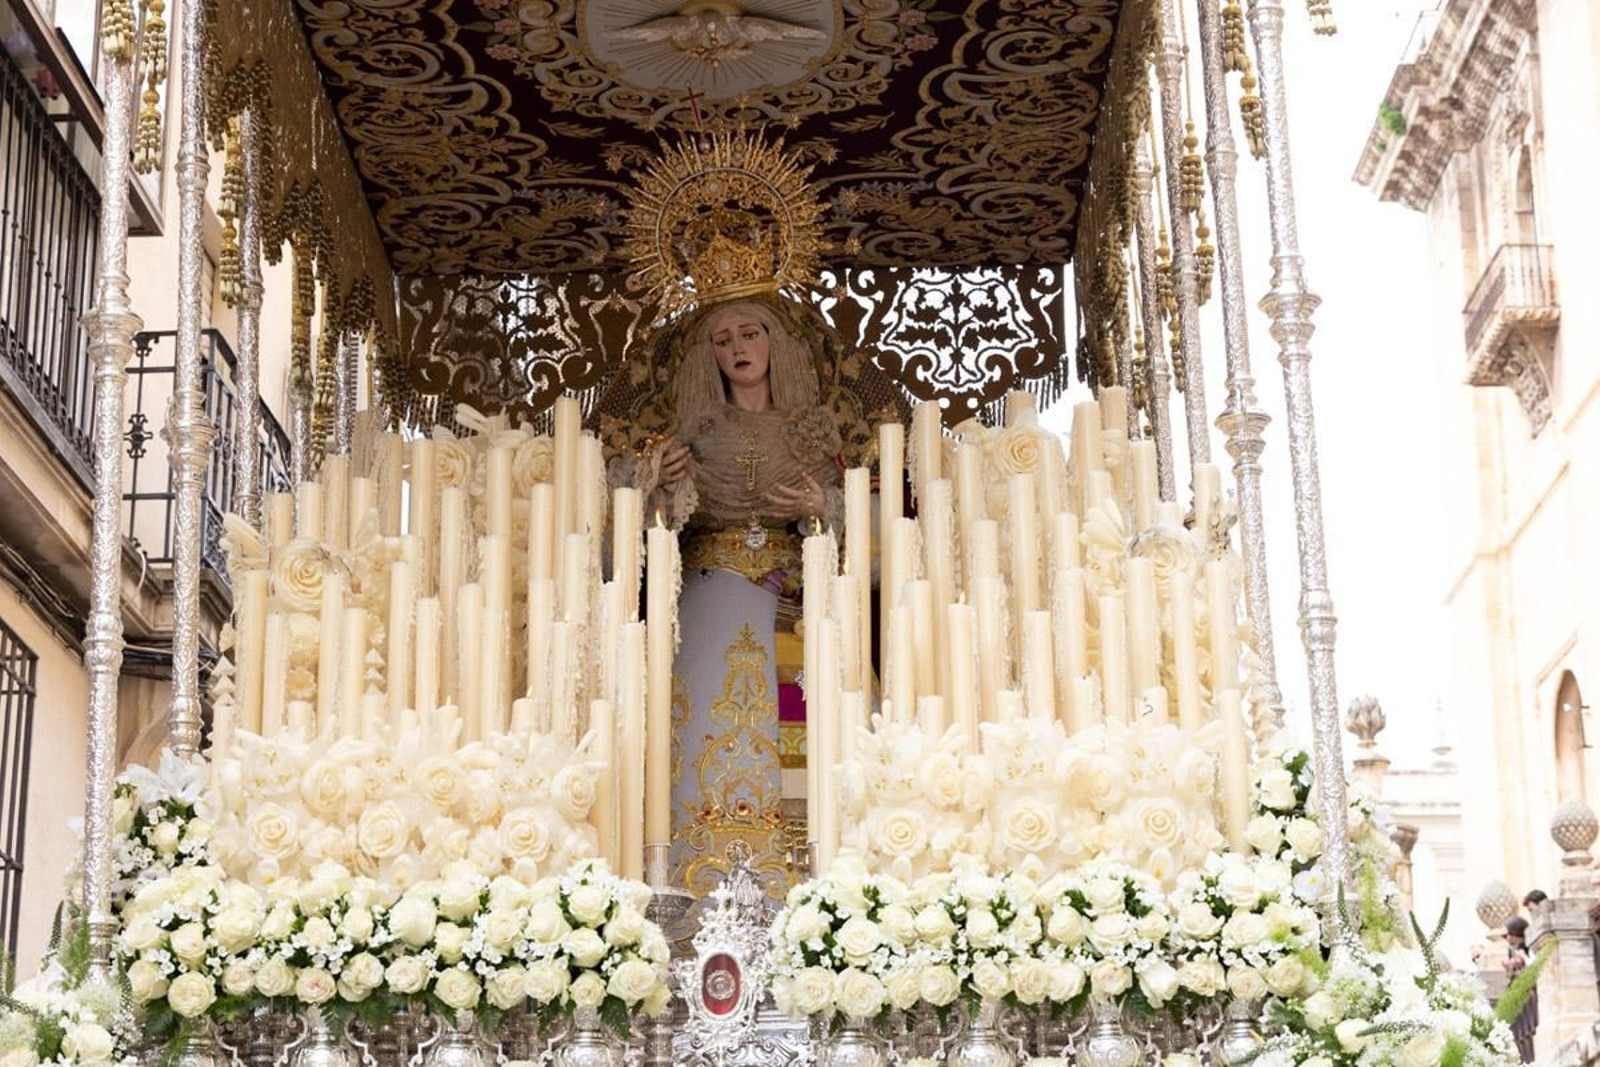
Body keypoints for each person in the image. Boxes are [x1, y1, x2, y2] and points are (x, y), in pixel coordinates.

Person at [633, 298, 843, 894]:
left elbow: (852, 517)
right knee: (699, 732)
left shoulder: (811, 435)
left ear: (776, 343)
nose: (738, 349)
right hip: (710, 601)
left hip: (795, 606)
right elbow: (642, 525)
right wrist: (658, 483)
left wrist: (821, 508)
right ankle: (696, 882)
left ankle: (810, 881)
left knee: (812, 731)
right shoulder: (690, 439)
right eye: (722, 341)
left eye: (750, 334)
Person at [1504, 915, 1539, 1062]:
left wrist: (1523, 958)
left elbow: (1537, 967)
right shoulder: (1513, 950)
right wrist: (1510, 967)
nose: (1508, 938)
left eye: (1510, 934)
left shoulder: (1531, 946)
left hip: (1533, 996)